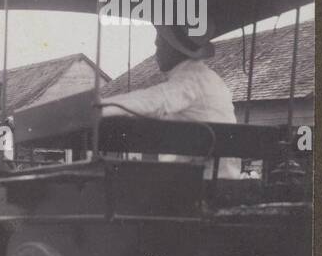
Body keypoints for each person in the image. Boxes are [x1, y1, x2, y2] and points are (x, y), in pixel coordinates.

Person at [99, 23, 241, 179]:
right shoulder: (209, 78)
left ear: (174, 49)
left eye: (160, 45)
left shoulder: (189, 81)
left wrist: (96, 108)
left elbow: (151, 101)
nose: (156, 53)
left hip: (202, 182)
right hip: (221, 177)